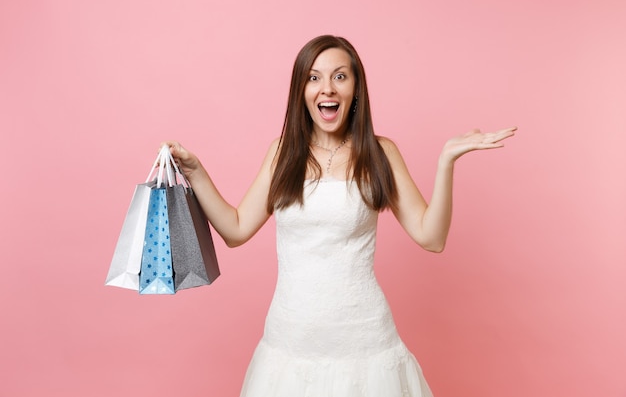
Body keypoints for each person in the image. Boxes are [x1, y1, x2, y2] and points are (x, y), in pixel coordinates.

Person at [165, 35, 516, 397]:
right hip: (290, 345)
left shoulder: (380, 152)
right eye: (314, 78)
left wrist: (446, 162)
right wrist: (196, 171)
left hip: (365, 347)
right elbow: (235, 230)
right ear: (300, 91)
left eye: (339, 76)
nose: (326, 89)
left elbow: (432, 237)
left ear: (356, 88)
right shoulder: (283, 152)